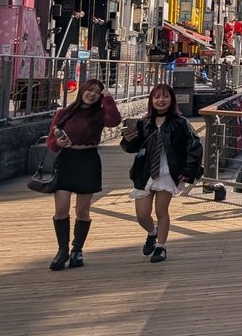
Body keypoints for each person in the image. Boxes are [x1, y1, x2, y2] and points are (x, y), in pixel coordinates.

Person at [120, 83, 203, 263]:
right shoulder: (144, 123)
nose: (161, 100)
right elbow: (133, 147)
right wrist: (128, 140)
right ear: (151, 100)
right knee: (142, 215)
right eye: (157, 97)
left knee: (161, 210)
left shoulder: (180, 123)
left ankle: (161, 246)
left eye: (165, 96)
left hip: (167, 170)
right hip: (145, 171)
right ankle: (152, 232)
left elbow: (194, 146)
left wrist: (188, 170)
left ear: (171, 99)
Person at [45, 79, 123, 270]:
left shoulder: (99, 114)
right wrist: (58, 143)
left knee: (83, 210)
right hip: (67, 160)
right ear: (82, 91)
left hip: (88, 160)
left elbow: (114, 121)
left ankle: (77, 250)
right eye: (90, 90)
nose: (92, 94)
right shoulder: (64, 113)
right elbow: (51, 141)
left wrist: (108, 98)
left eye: (97, 92)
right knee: (61, 209)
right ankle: (62, 250)